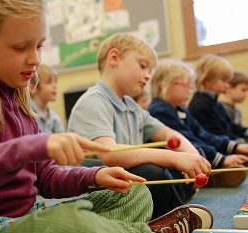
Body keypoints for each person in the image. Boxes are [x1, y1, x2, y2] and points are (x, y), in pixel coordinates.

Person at [0, 1, 214, 233]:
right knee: (65, 224)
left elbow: (45, 177)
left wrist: (96, 175)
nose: (35, 58)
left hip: (30, 215)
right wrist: (34, 146)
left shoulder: (21, 106)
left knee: (134, 192)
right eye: (20, 47)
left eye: (39, 46)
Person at [68, 33, 211, 219]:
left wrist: (191, 156)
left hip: (128, 178)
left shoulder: (132, 105)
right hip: (99, 184)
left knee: (190, 155)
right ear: (114, 58)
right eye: (143, 66)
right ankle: (170, 217)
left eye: (150, 71)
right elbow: (111, 154)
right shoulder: (92, 101)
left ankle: (171, 207)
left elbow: (170, 135)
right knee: (153, 172)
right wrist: (174, 158)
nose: (148, 76)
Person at [148, 59, 248, 187]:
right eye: (186, 85)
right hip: (172, 165)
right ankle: (210, 175)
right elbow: (188, 141)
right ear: (165, 85)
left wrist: (232, 148)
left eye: (191, 86)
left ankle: (211, 171)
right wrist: (221, 159)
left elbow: (202, 134)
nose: (190, 90)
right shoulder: (160, 111)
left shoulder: (180, 109)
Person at [189, 54, 248, 144]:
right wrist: (240, 142)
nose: (227, 85)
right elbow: (215, 133)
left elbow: (230, 126)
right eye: (224, 81)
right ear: (207, 80)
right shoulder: (201, 105)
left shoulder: (214, 102)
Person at [30, 64, 63, 133]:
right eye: (49, 82)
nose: (55, 86)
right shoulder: (27, 112)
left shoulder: (55, 118)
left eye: (55, 82)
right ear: (34, 87)